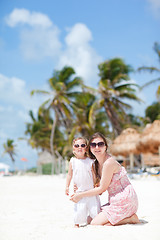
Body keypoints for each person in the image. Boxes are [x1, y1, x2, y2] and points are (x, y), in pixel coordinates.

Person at [70, 132, 140, 226]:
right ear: (90, 148)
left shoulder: (108, 163)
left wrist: (80, 195)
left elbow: (101, 189)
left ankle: (131, 219)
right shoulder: (96, 164)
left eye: (100, 144)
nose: (97, 147)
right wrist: (78, 188)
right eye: (93, 145)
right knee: (89, 219)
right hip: (114, 200)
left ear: (106, 147)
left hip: (125, 200)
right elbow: (98, 187)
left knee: (95, 223)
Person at [65, 137, 100, 227]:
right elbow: (69, 175)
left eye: (82, 145)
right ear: (73, 148)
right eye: (77, 146)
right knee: (79, 210)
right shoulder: (73, 161)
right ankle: (77, 224)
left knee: (95, 210)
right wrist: (67, 186)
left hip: (91, 191)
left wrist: (96, 184)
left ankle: (92, 219)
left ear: (86, 148)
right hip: (79, 191)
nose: (79, 147)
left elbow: (94, 174)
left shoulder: (90, 161)